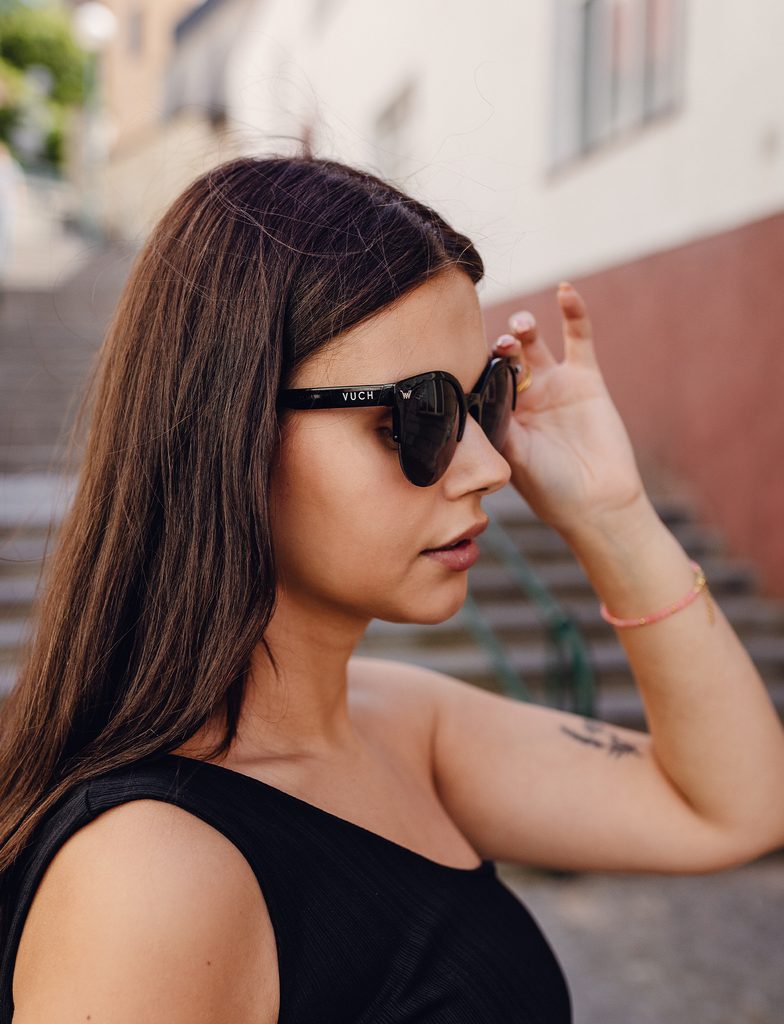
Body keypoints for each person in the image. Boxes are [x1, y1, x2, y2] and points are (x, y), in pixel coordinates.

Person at [1, 152, 783, 1023]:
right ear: (232, 428)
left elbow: (733, 807)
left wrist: (612, 515)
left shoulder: (398, 724)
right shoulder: (150, 877)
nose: (488, 466)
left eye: (486, 399)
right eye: (418, 414)